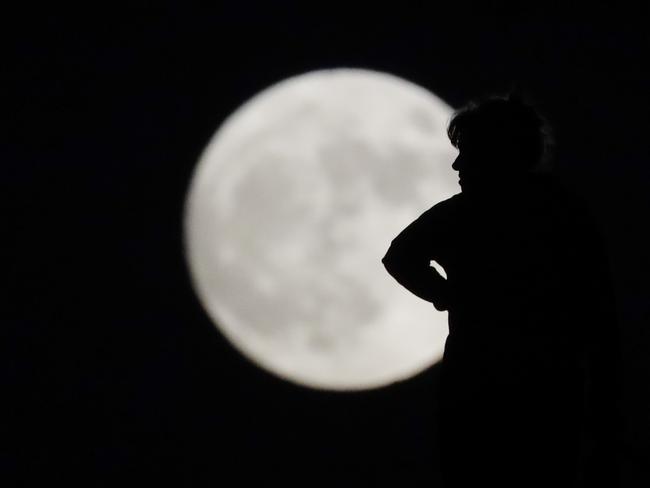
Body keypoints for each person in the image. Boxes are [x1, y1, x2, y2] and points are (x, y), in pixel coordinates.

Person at [382, 92, 620, 487]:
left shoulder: (465, 215)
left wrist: (448, 295)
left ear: (497, 152)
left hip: (497, 393)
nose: (457, 164)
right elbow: (601, 316)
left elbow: (399, 257)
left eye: (469, 152)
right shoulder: (564, 213)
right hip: (544, 393)